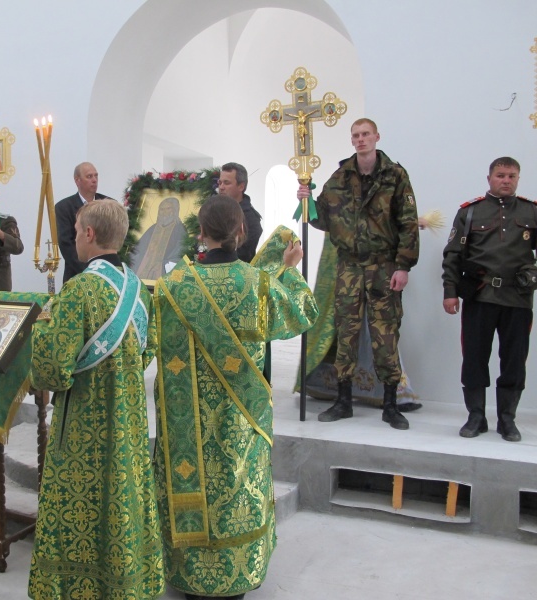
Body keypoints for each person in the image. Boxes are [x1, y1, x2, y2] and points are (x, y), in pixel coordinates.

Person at [154, 195, 317, 599]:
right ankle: (237, 575)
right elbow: (303, 312)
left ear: (201, 233)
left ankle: (188, 573)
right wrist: (290, 270)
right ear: (241, 231)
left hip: (187, 423)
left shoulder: (173, 287)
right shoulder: (257, 284)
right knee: (237, 486)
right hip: (241, 418)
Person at [28, 199, 164, 599]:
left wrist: (41, 326)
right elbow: (147, 351)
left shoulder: (80, 290)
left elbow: (52, 369)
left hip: (83, 427)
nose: (73, 238)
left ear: (89, 233)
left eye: (75, 232)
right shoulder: (139, 289)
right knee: (124, 500)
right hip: (129, 421)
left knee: (80, 507)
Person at [297, 117, 419, 429]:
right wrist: (307, 202)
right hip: (349, 266)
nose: (360, 139)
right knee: (346, 332)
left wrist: (403, 266)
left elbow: (408, 222)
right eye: (356, 135)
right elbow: (324, 219)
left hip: (383, 265)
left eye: (365, 134)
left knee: (385, 333)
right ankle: (343, 401)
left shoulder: (395, 175)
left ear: (377, 136)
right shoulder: (340, 177)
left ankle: (390, 404)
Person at [442, 157, 534, 442]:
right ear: (489, 178)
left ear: (518, 179)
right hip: (480, 296)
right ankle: (476, 417)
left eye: (511, 176)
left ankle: (507, 419)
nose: (506, 180)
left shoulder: (531, 211)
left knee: (514, 361)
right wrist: (450, 292)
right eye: (500, 175)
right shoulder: (471, 212)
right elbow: (453, 254)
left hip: (517, 299)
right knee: (474, 358)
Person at [55, 162, 110, 283]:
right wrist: (90, 272)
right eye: (89, 176)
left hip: (107, 273)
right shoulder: (64, 207)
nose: (94, 180)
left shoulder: (109, 204)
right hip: (76, 275)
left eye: (96, 176)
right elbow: (66, 243)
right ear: (77, 180)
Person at [130, 195, 188, 280]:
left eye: (168, 208)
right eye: (162, 209)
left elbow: (180, 252)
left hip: (164, 272)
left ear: (175, 210)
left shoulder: (179, 229)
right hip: (143, 270)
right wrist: (149, 249)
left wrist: (163, 264)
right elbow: (138, 250)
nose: (164, 212)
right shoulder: (152, 229)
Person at [218, 162, 263, 262]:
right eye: (220, 183)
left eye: (226, 183)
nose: (221, 187)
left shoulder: (251, 218)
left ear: (241, 186)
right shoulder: (215, 210)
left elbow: (244, 255)